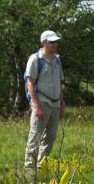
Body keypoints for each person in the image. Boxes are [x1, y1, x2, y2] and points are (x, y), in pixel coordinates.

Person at [24, 30, 65, 172]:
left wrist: (62, 104)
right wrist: (37, 106)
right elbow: (30, 83)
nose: (55, 44)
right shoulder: (35, 59)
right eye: (52, 42)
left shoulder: (57, 60)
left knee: (51, 137)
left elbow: (59, 83)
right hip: (41, 102)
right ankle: (30, 168)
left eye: (56, 42)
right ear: (43, 43)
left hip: (55, 103)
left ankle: (41, 166)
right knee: (36, 135)